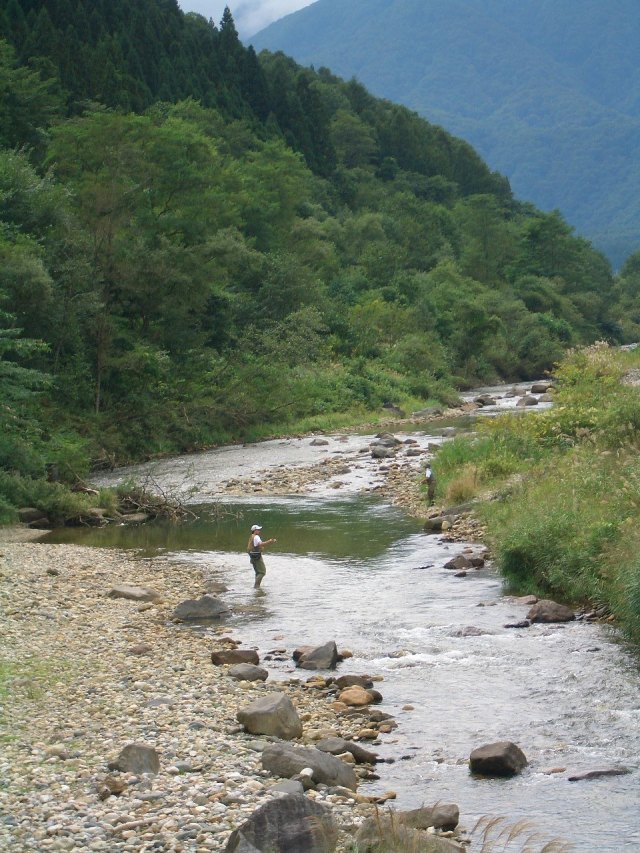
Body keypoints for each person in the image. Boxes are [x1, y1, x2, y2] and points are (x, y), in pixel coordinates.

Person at [246, 524, 277, 589]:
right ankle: (256, 586)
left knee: (257, 572)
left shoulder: (252, 536)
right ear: (254, 530)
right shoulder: (256, 537)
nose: (259, 530)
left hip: (252, 556)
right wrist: (270, 541)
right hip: (257, 556)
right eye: (258, 529)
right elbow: (261, 544)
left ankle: (256, 587)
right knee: (262, 572)